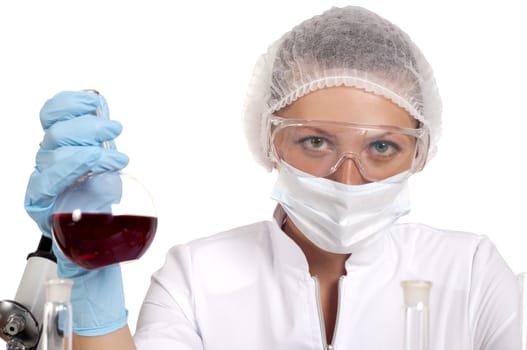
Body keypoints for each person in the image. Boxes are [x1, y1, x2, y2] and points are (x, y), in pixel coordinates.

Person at [23, 5, 520, 350]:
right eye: (316, 142)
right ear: (269, 141)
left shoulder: (470, 270)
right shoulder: (196, 278)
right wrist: (92, 296)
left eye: (382, 147)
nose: (348, 179)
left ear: (420, 151)